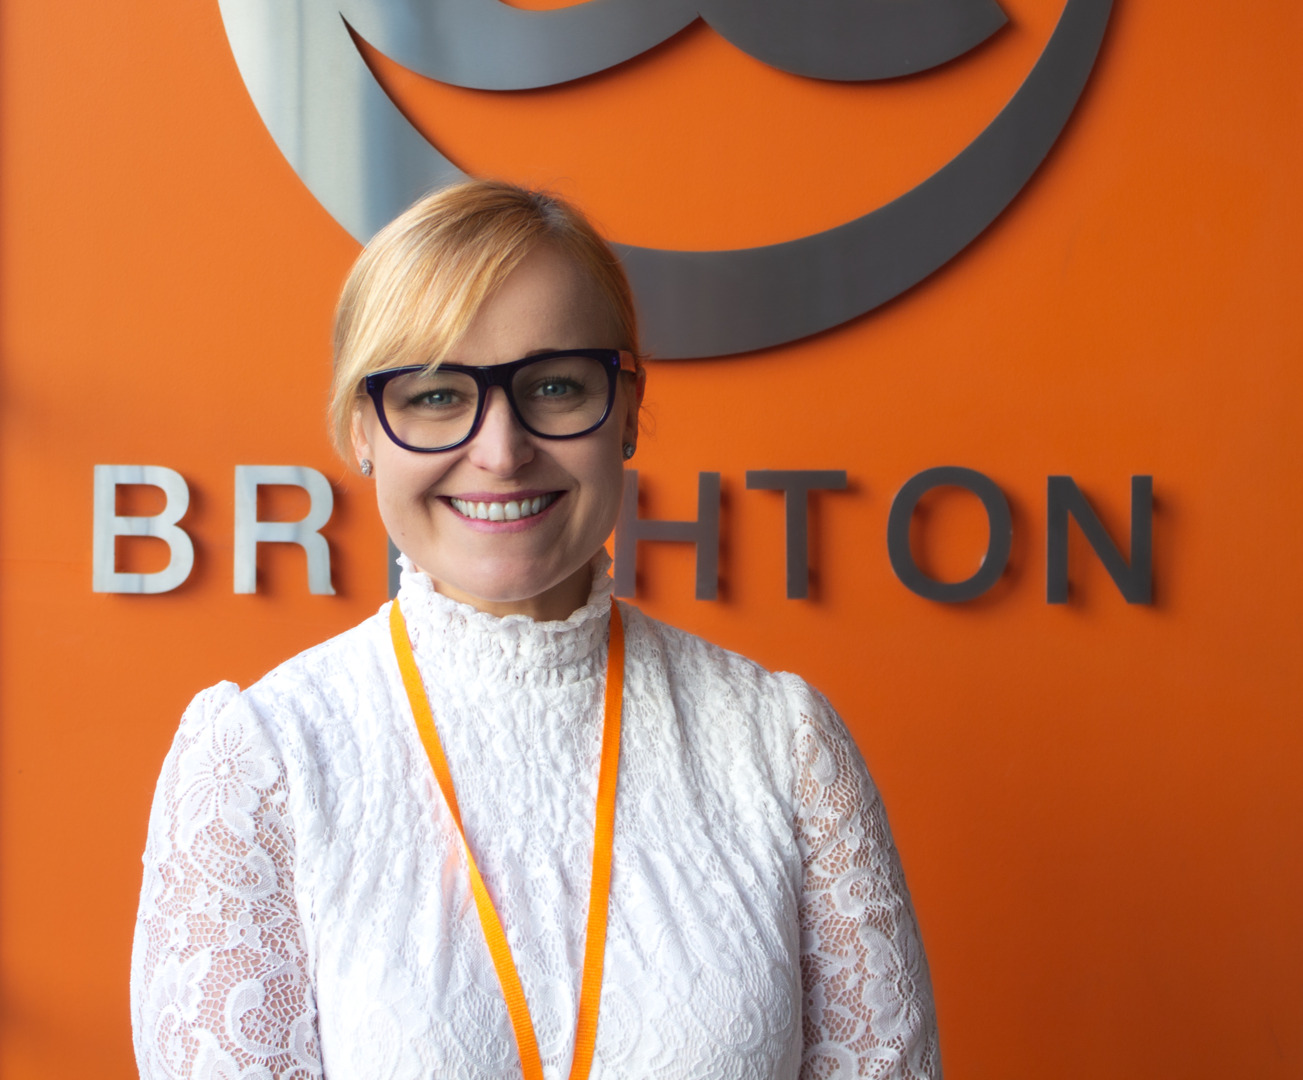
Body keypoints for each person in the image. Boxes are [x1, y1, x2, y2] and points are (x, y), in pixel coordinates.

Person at [130, 180, 940, 1079]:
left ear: (625, 410)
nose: (501, 450)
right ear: (362, 428)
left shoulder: (781, 747)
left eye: (554, 386)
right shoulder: (264, 761)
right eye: (436, 394)